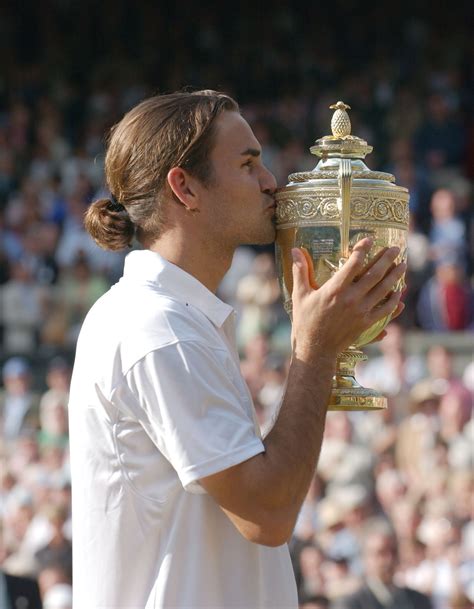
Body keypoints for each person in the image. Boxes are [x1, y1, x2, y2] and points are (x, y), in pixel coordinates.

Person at [69, 90, 405, 608]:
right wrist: (314, 353)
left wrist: (327, 344)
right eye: (249, 164)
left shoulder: (177, 319)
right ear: (184, 188)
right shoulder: (157, 329)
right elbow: (266, 513)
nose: (272, 182)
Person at [333, 526, 432, 609]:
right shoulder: (351, 604)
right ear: (365, 558)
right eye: (381, 553)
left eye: (393, 552)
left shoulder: (418, 600)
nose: (389, 559)